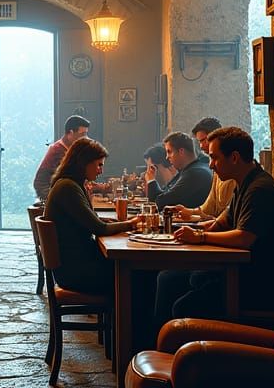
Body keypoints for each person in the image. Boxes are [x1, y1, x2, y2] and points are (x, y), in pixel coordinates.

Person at [154, 126, 274, 328]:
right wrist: (183, 231)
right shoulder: (244, 183)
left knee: (184, 306)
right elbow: (221, 222)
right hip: (244, 272)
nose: (211, 165)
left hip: (265, 283)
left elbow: (244, 238)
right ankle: (155, 349)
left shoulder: (260, 190)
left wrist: (200, 237)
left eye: (214, 158)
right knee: (169, 278)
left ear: (234, 158)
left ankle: (183, 355)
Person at [42, 137, 139, 295]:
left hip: (76, 264)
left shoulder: (72, 184)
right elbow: (99, 228)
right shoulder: (68, 187)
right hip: (75, 272)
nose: (101, 170)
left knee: (135, 271)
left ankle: (123, 318)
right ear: (83, 162)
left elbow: (91, 220)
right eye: (99, 165)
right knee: (138, 275)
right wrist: (132, 223)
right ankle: (133, 319)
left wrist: (111, 222)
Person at [172, 117, 237, 222]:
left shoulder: (232, 168)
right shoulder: (215, 168)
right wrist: (188, 212)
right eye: (199, 142)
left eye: (204, 140)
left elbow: (228, 218)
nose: (201, 146)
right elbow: (209, 207)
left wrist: (199, 232)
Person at [147, 131, 212, 209]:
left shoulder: (195, 173)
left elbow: (159, 203)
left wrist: (151, 180)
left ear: (181, 151)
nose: (167, 157)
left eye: (169, 152)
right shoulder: (188, 169)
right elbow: (164, 194)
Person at [32, 115, 91, 203]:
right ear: (70, 133)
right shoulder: (58, 150)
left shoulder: (69, 149)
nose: (86, 138)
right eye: (82, 134)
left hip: (60, 191)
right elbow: (72, 178)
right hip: (50, 193)